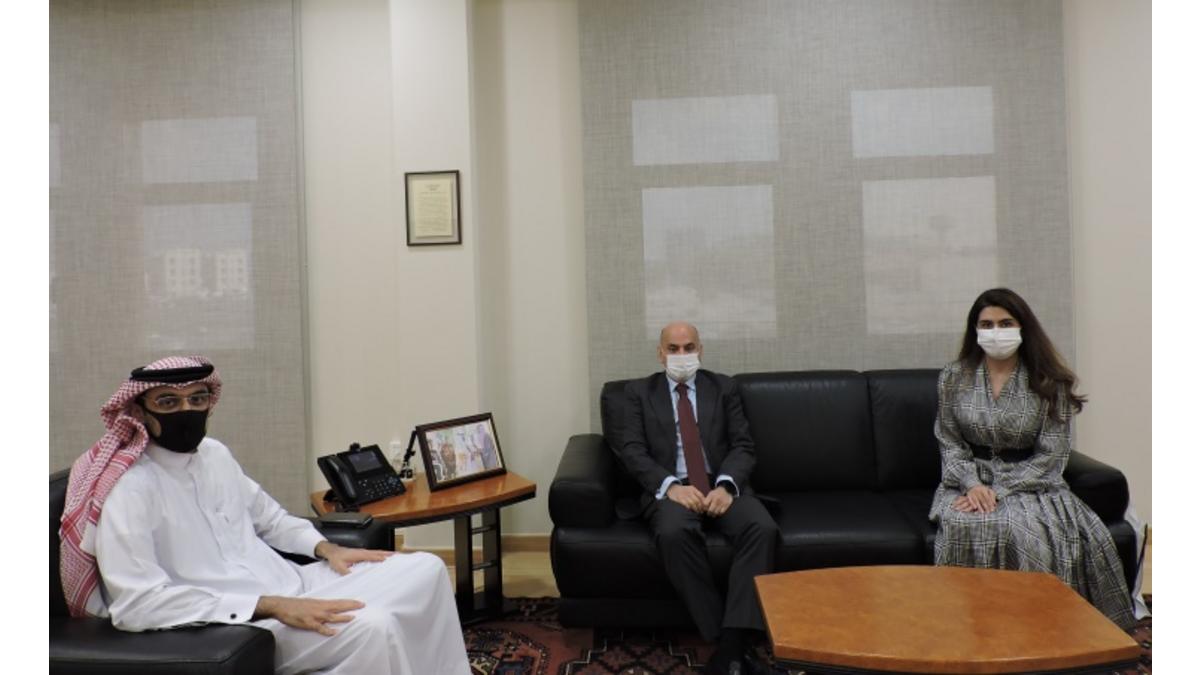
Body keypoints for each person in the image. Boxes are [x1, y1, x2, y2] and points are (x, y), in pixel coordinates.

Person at [59, 356, 471, 674]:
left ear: (210, 404)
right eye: (169, 401)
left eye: (197, 398)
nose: (187, 409)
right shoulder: (128, 489)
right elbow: (138, 605)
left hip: (295, 584)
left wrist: (328, 549)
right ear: (140, 411)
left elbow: (271, 520)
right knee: (375, 628)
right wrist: (270, 606)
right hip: (237, 620)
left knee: (426, 568)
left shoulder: (215, 455)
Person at [928, 289, 1137, 629]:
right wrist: (972, 484)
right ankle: (970, 627)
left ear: (1023, 327)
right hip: (968, 481)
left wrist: (999, 490)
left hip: (1031, 482)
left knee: (1026, 531)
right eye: (987, 324)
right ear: (975, 330)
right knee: (967, 523)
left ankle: (1040, 629)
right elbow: (948, 440)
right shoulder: (954, 377)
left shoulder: (1049, 381)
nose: (996, 332)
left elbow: (1052, 454)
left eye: (1005, 323)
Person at [619, 322, 778, 675]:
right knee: (673, 533)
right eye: (673, 349)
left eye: (688, 347)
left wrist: (726, 486)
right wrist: (670, 486)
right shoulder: (638, 392)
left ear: (700, 350)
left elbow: (743, 445)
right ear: (660, 353)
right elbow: (632, 450)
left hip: (720, 484)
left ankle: (731, 644)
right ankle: (729, 642)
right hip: (672, 488)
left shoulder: (723, 387)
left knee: (762, 527)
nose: (681, 355)